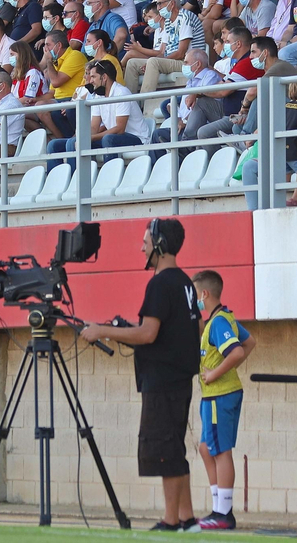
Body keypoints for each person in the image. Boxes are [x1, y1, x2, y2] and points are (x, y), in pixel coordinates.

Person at [82, 218, 202, 532]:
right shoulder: (185, 282)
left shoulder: (160, 283)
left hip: (163, 381)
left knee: (165, 451)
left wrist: (102, 331)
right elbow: (190, 328)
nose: (142, 246)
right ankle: (188, 518)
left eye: (146, 240)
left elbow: (149, 334)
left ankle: (171, 520)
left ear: (160, 244)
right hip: (178, 379)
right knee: (175, 447)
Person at [191, 270, 256, 531]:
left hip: (220, 395)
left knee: (220, 451)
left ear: (204, 294)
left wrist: (216, 373)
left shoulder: (218, 323)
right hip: (214, 396)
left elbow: (238, 350)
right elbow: (251, 341)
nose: (193, 299)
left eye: (195, 294)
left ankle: (224, 514)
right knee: (207, 448)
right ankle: (218, 508)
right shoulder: (220, 319)